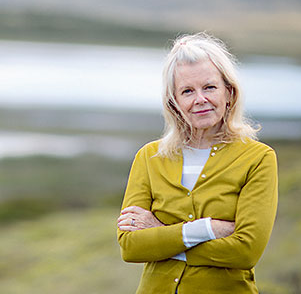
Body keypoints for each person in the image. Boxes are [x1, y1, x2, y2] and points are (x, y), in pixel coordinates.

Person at [117, 32, 278, 294]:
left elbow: (245, 252)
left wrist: (161, 234)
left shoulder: (258, 158)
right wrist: (206, 229)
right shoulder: (149, 157)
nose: (200, 99)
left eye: (210, 87)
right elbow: (131, 247)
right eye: (188, 91)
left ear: (229, 92)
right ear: (174, 102)